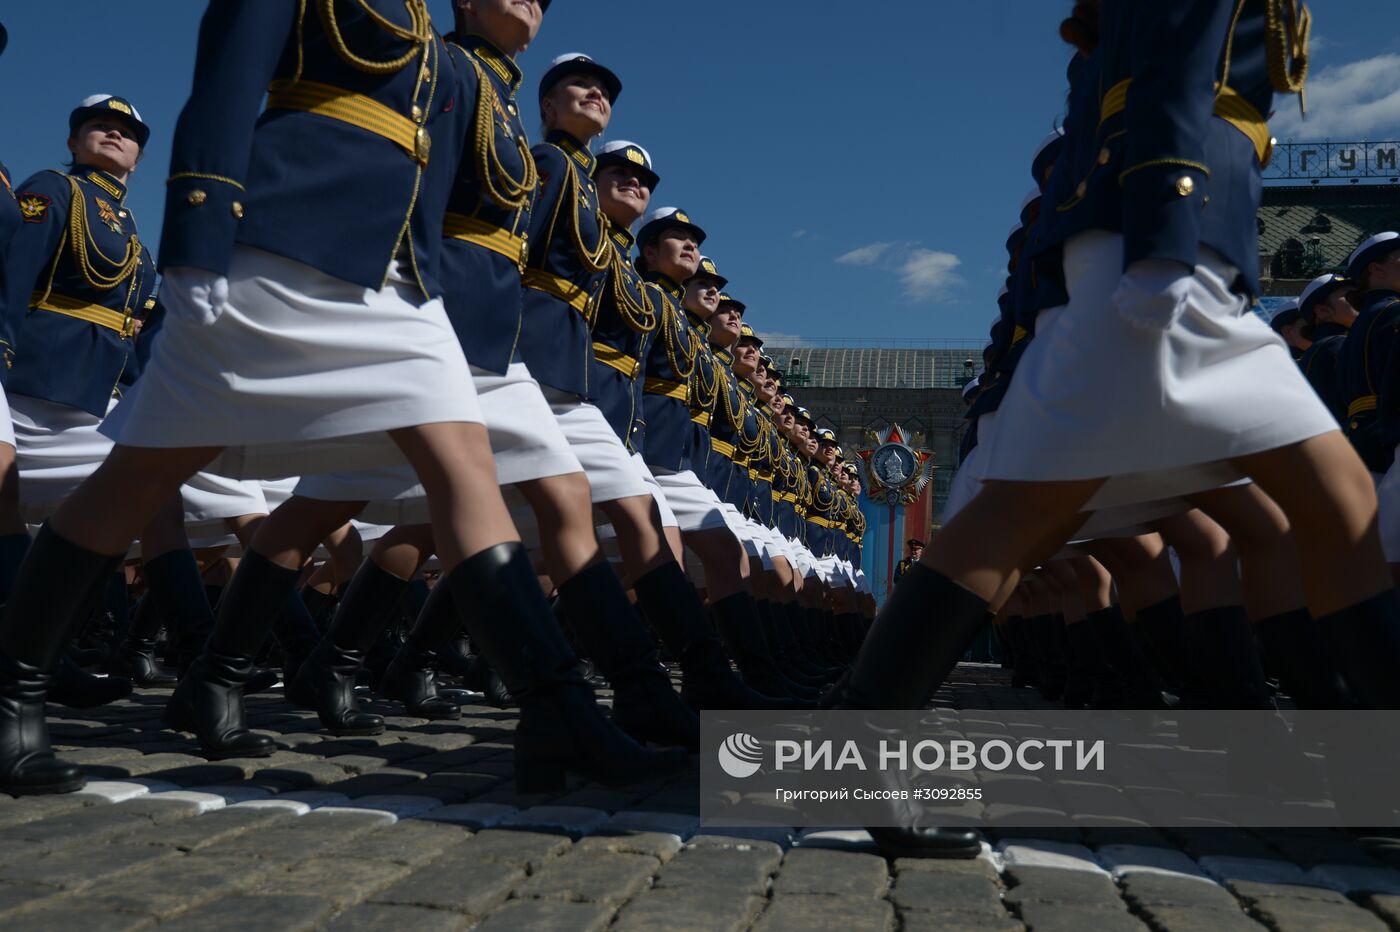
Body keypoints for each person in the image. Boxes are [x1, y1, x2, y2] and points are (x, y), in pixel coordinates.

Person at [0, 0, 687, 797]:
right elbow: (224, 86)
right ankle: (15, 690)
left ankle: (558, 711)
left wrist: (425, 286)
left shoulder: (433, 35)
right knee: (142, 476)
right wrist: (194, 252)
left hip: (397, 282)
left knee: (462, 467)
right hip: (281, 250)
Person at [838, 0, 1400, 857]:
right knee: (1022, 524)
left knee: (1325, 499)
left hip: (1178, 256)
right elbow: (1173, 81)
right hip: (1165, 255)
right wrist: (1167, 245)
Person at [1297, 273, 1356, 423]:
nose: (1359, 299)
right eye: (1350, 295)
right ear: (1323, 311)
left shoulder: (1319, 347)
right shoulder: (1339, 345)